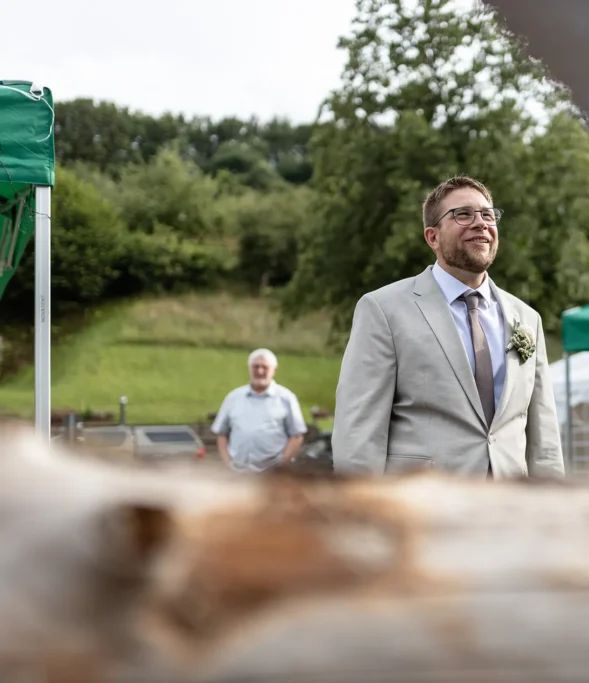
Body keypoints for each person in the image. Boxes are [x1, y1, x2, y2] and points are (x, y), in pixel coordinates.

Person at [332, 175, 564, 479]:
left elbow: (543, 436)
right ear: (433, 237)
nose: (481, 223)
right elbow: (358, 430)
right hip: (421, 508)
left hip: (510, 508)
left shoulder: (527, 318)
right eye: (463, 214)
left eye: (488, 214)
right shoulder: (383, 309)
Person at [211, 348, 308, 472]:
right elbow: (221, 434)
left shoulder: (286, 398)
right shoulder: (233, 398)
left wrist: (283, 463)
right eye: (255, 367)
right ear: (249, 368)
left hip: (273, 476)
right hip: (239, 474)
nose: (260, 371)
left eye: (264, 367)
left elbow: (297, 436)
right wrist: (228, 463)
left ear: (274, 370)